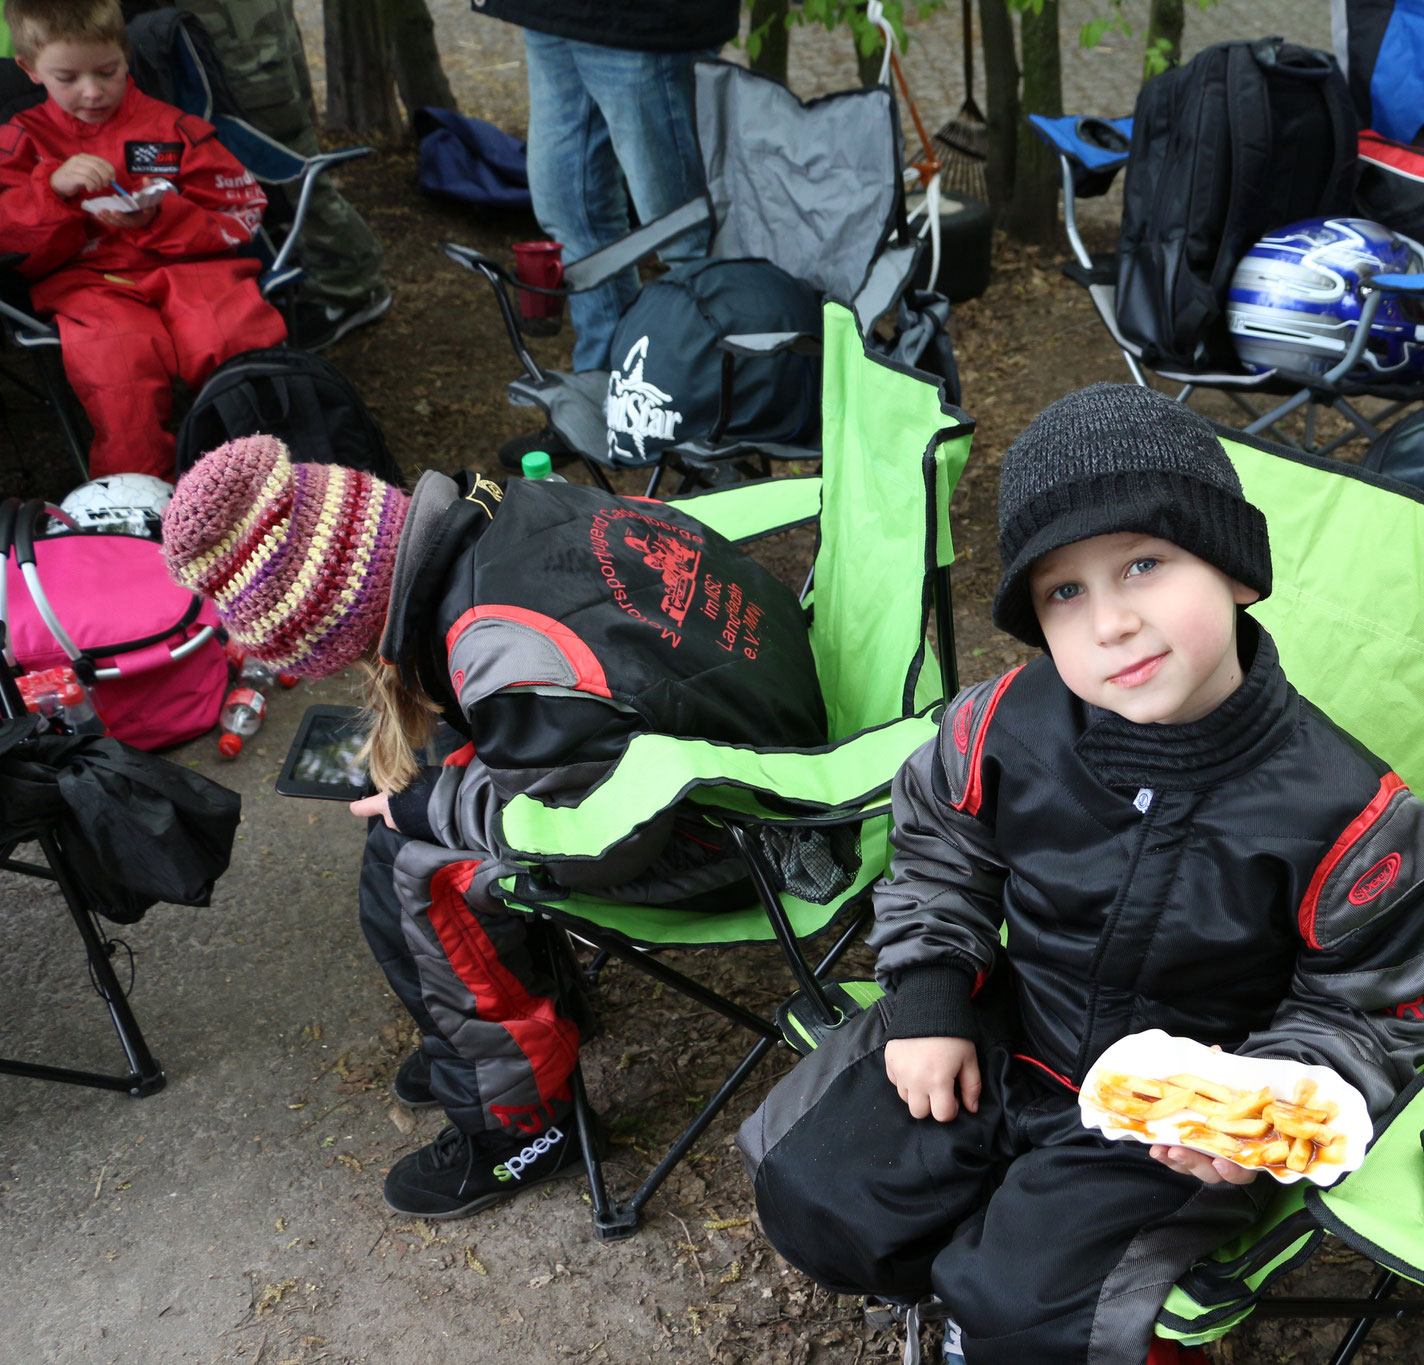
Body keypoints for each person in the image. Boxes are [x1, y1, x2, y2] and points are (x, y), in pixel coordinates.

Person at [740, 384, 1424, 1363]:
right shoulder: (1001, 721)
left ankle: (991, 1317)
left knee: (1027, 1302)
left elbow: (1377, 1009)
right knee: (821, 1187)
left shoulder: (1349, 817)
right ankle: (959, 1259)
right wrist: (925, 998)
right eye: (1063, 591)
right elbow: (936, 844)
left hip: (1176, 1103)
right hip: (1018, 1027)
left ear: (1234, 571)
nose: (1111, 621)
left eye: (1142, 563)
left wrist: (1260, 1105)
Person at [160, 436, 830, 1219]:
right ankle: (503, 1033)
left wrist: (425, 808)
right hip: (760, 718)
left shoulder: (499, 655)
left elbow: (596, 832)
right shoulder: (510, 506)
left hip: (743, 827)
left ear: (334, 619)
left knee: (412, 865)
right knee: (440, 765)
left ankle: (521, 1129)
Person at [0, 0, 283, 480]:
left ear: (125, 56)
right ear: (29, 70)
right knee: (120, 375)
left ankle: (257, 476)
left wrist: (163, 216)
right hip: (90, 283)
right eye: (67, 78)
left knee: (230, 338)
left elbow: (240, 212)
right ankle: (139, 503)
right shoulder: (22, 140)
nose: (92, 92)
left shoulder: (170, 129)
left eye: (107, 71)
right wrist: (50, 192)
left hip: (191, 269)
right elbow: (12, 248)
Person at [473, 0, 735, 374]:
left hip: (643, 22)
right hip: (548, 16)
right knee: (570, 215)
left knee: (683, 235)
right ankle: (610, 387)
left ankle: (724, 398)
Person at [172, 0, 391, 351]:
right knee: (264, 150)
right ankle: (300, 265)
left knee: (285, 159)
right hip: (223, 24)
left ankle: (351, 287)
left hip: (232, 22)